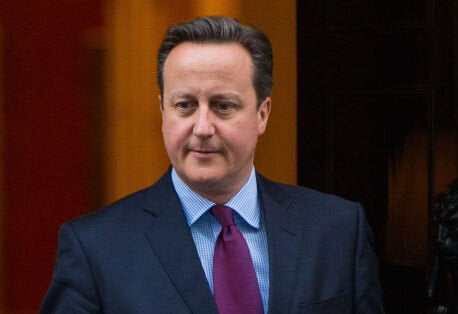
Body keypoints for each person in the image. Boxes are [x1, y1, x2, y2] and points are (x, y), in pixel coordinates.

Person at [40, 16, 384, 313]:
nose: (202, 128)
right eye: (185, 105)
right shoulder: (96, 248)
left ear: (262, 114)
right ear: (163, 111)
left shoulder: (336, 231)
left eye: (223, 106)